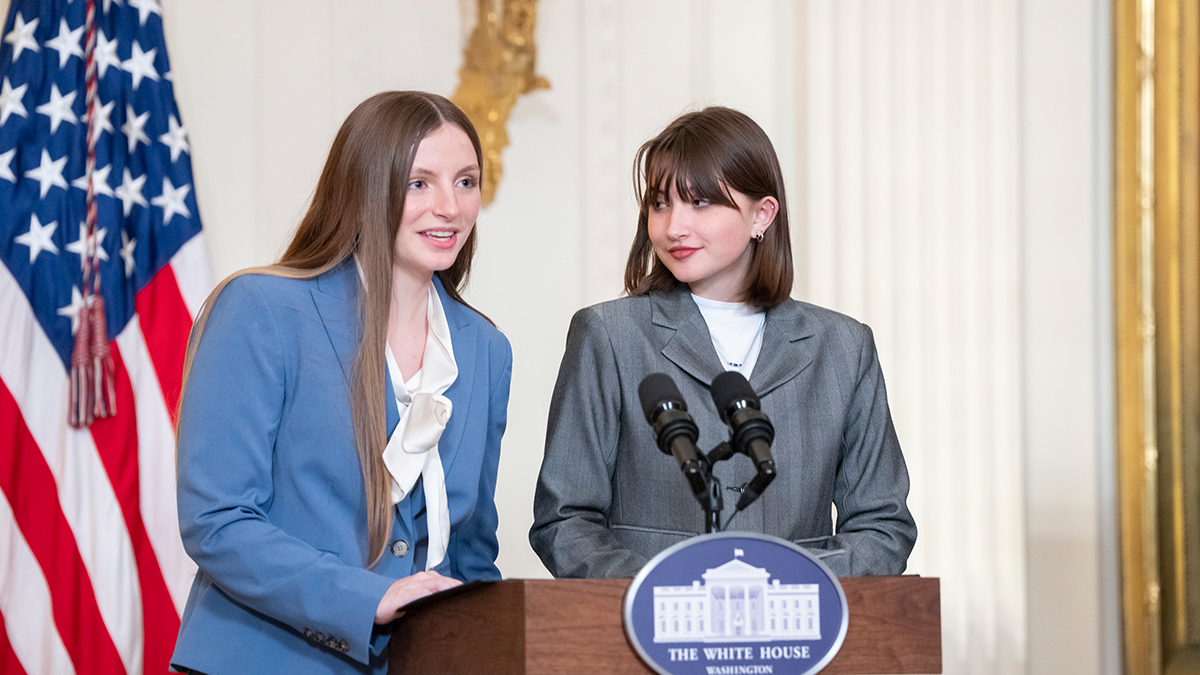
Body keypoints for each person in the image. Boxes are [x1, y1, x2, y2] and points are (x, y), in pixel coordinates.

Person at [170, 91, 512, 675]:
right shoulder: (260, 308)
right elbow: (217, 518)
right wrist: (365, 598)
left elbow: (471, 549)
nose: (450, 207)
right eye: (418, 183)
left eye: (466, 182)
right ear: (364, 187)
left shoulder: (485, 348)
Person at [529, 106, 915, 579]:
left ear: (762, 214)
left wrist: (785, 587)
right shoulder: (607, 336)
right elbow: (565, 520)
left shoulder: (844, 347)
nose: (674, 227)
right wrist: (670, 599)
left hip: (798, 640)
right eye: (660, 203)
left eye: (700, 203)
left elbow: (882, 525)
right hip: (644, 636)